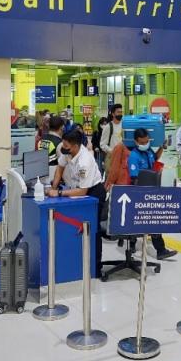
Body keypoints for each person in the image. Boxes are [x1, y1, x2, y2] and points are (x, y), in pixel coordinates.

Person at [49, 130, 108, 276]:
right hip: (78, 190)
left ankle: (96, 267)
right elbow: (59, 169)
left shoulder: (84, 161)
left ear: (75, 146)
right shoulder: (67, 152)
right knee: (77, 226)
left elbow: (83, 191)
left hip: (93, 193)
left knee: (93, 229)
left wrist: (60, 193)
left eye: (66, 145)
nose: (63, 147)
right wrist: (53, 188)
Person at [127, 128, 177, 260]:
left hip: (152, 189)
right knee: (137, 221)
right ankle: (131, 245)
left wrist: (162, 147)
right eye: (142, 142)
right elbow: (134, 177)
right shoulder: (133, 156)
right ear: (136, 142)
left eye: (147, 141)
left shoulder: (148, 151)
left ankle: (160, 250)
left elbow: (154, 158)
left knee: (154, 220)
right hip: (139, 191)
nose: (145, 143)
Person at [100, 104, 124, 168]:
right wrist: (112, 151)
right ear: (113, 114)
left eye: (121, 112)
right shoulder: (108, 127)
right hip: (112, 158)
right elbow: (102, 144)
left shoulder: (124, 125)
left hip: (123, 158)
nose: (120, 114)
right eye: (118, 112)